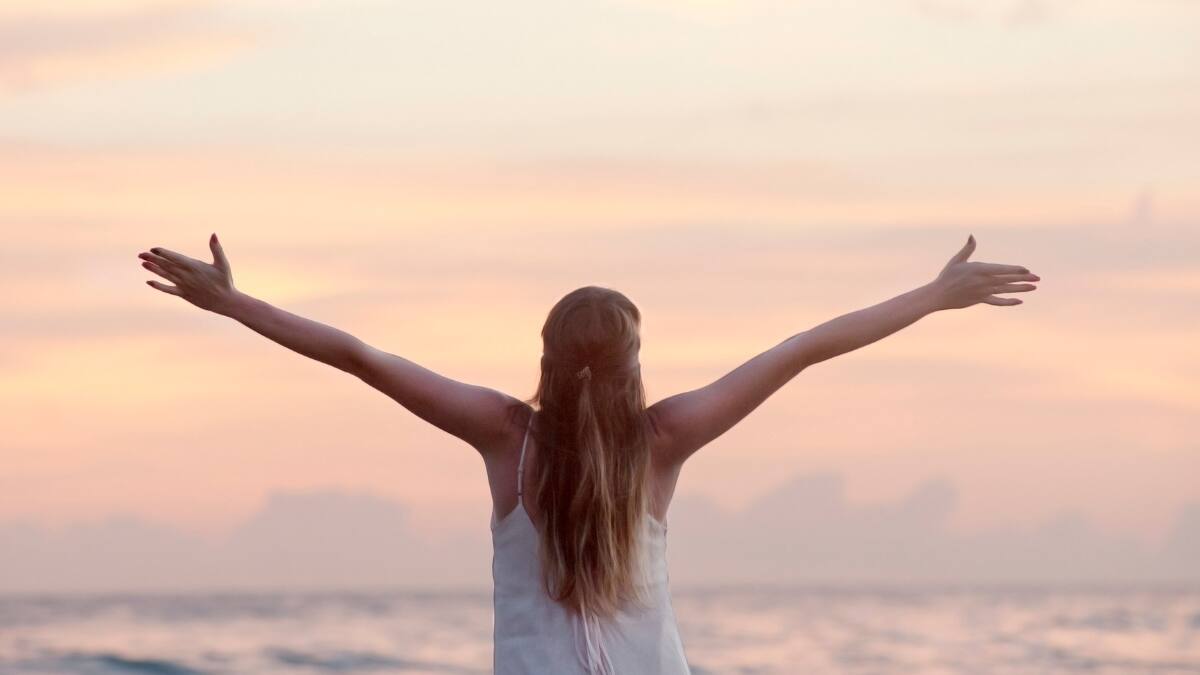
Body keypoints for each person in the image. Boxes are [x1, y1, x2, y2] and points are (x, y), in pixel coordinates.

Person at [137, 233, 1038, 674]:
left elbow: (361, 355)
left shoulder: (503, 436)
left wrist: (233, 305)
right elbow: (804, 346)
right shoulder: (667, 439)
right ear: (634, 362)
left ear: (546, 353)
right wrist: (931, 295)